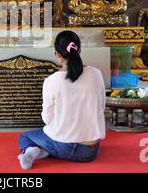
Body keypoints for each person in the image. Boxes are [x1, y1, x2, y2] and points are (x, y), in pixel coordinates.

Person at [17, 30, 106, 170]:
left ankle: (34, 151)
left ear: (57, 55)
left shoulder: (51, 81)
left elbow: (48, 119)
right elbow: (101, 108)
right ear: (79, 51)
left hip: (63, 146)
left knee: (25, 137)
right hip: (90, 151)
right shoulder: (96, 74)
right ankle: (43, 150)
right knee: (52, 137)